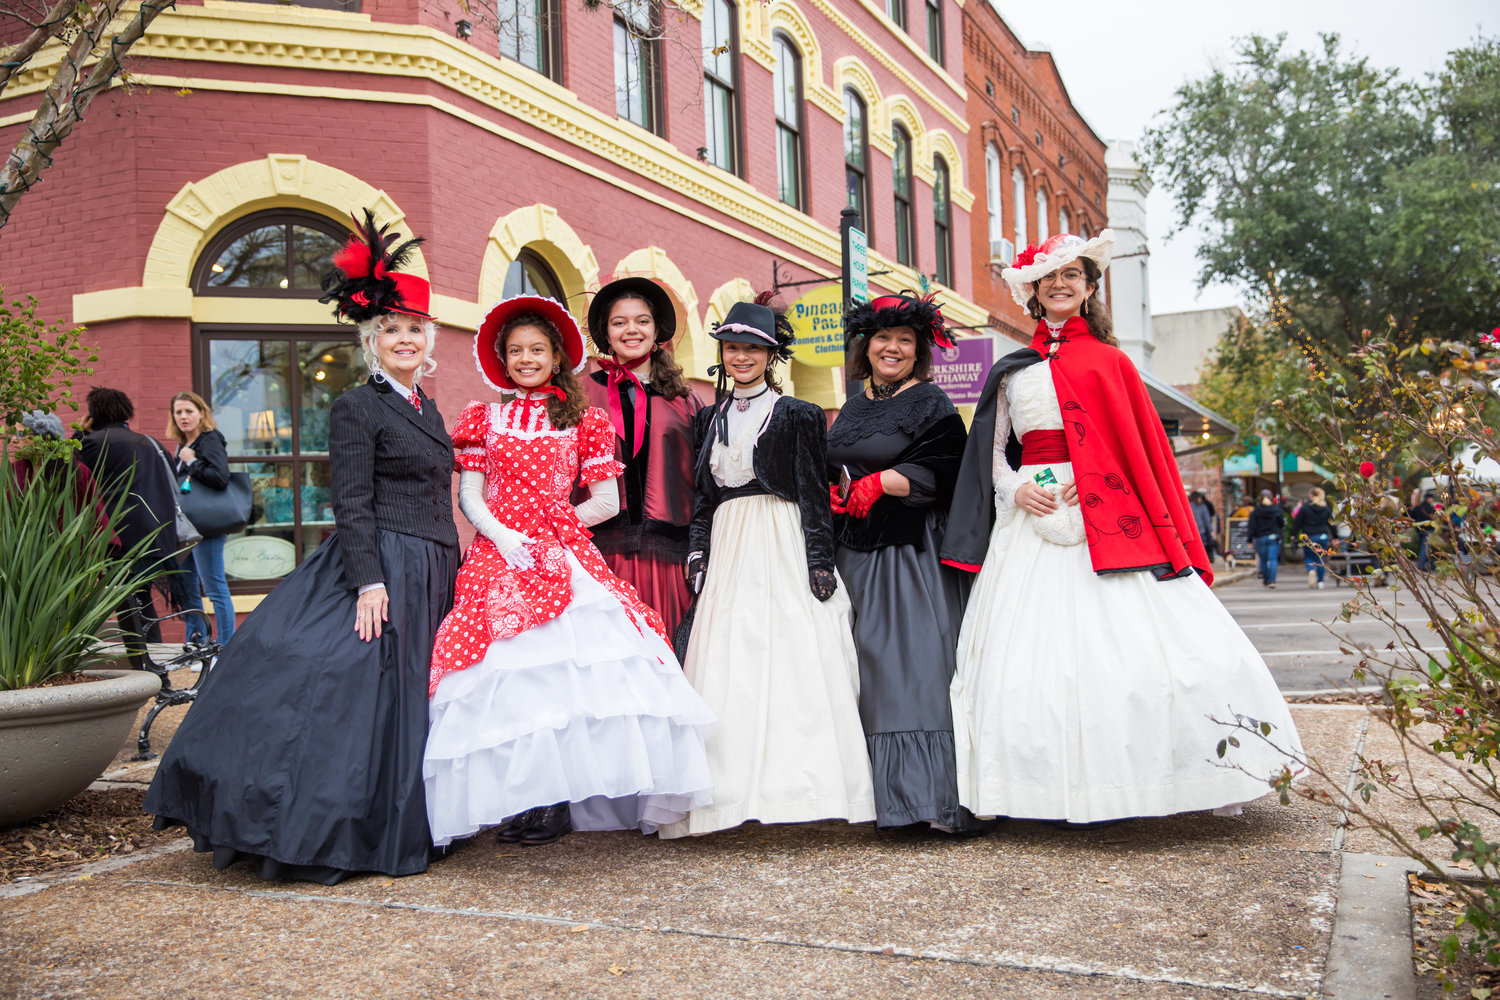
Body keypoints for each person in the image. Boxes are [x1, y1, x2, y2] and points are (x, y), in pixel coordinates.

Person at [940, 231, 1301, 824]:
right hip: (1030, 518)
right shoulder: (1010, 370)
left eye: (1072, 277)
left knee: (1134, 653)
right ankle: (1028, 789)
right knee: (1021, 657)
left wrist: (1096, 480)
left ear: (1087, 289)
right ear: (1032, 291)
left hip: (1105, 518)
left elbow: (1136, 449)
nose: (1060, 286)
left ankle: (1150, 779)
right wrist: (1016, 488)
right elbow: (994, 450)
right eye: (1049, 279)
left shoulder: (1111, 363)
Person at [145, 210, 461, 883]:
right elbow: (351, 500)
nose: (403, 340)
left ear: (427, 341)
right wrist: (369, 581)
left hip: (435, 566)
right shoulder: (357, 404)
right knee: (345, 690)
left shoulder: (426, 409)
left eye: (413, 330)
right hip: (385, 565)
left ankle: (407, 820)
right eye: (390, 330)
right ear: (371, 340)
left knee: (413, 703)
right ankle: (325, 829)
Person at [423, 295, 714, 848]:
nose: (527, 359)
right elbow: (469, 492)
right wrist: (507, 538)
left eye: (537, 350)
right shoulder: (485, 416)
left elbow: (606, 500)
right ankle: (524, 799)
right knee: (510, 679)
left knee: (566, 679)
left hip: (562, 552)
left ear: (556, 356)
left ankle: (559, 801)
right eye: (516, 352)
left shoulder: (587, 419)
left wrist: (554, 530)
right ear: (502, 360)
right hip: (498, 556)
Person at [659, 296, 875, 839]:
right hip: (730, 547)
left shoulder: (799, 414)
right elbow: (704, 497)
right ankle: (730, 793)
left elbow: (813, 495)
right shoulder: (708, 417)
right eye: (732, 348)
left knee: (792, 655)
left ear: (771, 353)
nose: (741, 357)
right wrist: (698, 551)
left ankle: (798, 790)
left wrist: (819, 564)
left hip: (780, 539)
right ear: (722, 354)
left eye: (752, 348)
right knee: (728, 659)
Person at [827, 292, 972, 831]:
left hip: (908, 557)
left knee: (907, 669)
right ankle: (880, 798)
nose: (892, 348)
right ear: (866, 345)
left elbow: (950, 466)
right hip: (854, 554)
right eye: (883, 338)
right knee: (864, 669)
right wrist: (837, 491)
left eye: (904, 341)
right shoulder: (855, 403)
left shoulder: (932, 403)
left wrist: (886, 482)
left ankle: (924, 801)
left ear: (919, 350)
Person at [577, 277, 704, 640]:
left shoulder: (687, 400)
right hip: (601, 557)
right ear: (606, 332)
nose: (631, 330)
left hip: (670, 560)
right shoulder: (581, 395)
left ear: (656, 329)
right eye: (619, 322)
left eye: (641, 321)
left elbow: (703, 483)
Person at [76, 387, 180, 670]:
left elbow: (72, 475)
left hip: (123, 537)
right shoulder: (149, 442)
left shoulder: (94, 442)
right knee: (140, 599)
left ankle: (146, 667)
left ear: (95, 411)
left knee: (130, 603)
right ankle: (155, 668)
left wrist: (81, 434)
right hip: (158, 535)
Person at [167, 391, 236, 647]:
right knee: (188, 587)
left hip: (208, 525)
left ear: (201, 413)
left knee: (214, 586)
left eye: (189, 411)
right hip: (188, 526)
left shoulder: (210, 440)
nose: (183, 417)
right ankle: (196, 643)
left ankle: (225, 646)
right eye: (178, 412)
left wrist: (193, 461)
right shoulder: (181, 445)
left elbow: (220, 477)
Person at [1292, 487, 1333, 589]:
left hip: (1308, 536)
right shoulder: (1326, 507)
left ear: (1311, 495)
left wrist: (1294, 534)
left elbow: (1297, 522)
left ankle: (1311, 570)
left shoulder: (1305, 507)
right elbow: (1332, 523)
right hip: (1322, 535)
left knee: (1309, 557)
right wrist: (1335, 536)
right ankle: (1320, 582)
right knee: (1321, 558)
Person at [1248, 490, 1285, 588]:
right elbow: (1281, 523)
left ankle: (1265, 579)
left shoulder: (1256, 511)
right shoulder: (1276, 509)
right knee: (1273, 559)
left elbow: (1251, 526)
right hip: (1273, 536)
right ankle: (1272, 580)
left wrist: (1250, 539)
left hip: (1260, 537)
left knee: (1263, 560)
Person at [1409, 490, 1437, 572]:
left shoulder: (1418, 507)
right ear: (1429, 499)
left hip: (1419, 530)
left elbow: (1411, 517)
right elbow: (1434, 518)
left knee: (1424, 547)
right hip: (1428, 531)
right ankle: (1420, 566)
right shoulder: (1430, 508)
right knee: (1425, 548)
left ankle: (1426, 565)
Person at [1189, 490, 1219, 564]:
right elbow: (1206, 519)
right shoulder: (1202, 506)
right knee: (1201, 547)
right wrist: (1211, 530)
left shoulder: (1188, 505)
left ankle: (1194, 561)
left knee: (1192, 547)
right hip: (1200, 530)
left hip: (1190, 530)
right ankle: (1200, 562)